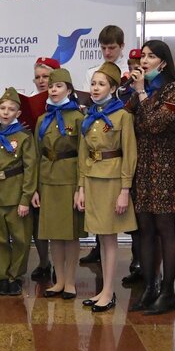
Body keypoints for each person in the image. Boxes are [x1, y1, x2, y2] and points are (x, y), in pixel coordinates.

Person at [127, 39, 175, 316]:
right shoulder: (138, 89)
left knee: (165, 227)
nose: (144, 60)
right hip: (142, 164)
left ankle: (168, 291)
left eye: (151, 56)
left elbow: (154, 124)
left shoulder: (173, 89)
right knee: (145, 229)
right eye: (143, 55)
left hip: (164, 164)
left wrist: (141, 93)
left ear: (163, 62)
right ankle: (150, 287)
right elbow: (125, 118)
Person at [76, 62, 137, 312]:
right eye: (93, 83)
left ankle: (109, 291)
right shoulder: (89, 116)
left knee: (110, 238)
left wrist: (125, 190)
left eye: (101, 84)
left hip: (112, 181)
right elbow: (83, 154)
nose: (95, 88)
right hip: (92, 178)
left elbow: (129, 154)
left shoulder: (122, 116)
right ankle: (103, 289)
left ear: (113, 88)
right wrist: (81, 187)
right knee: (101, 237)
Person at [80, 25, 129, 266]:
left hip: (118, 145)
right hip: (97, 138)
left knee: (118, 217)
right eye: (104, 48)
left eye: (112, 48)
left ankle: (135, 260)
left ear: (121, 46)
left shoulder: (130, 72)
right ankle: (98, 249)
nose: (108, 52)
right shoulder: (93, 72)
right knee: (100, 217)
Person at [33, 67, 83, 299]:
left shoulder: (78, 118)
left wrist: (80, 187)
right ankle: (59, 280)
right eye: (51, 86)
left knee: (70, 233)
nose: (53, 90)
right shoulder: (42, 119)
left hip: (69, 178)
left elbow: (83, 155)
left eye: (59, 86)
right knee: (53, 233)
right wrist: (35, 188)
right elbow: (36, 154)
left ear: (69, 90)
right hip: (47, 179)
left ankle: (70, 280)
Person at [0, 88, 37, 296]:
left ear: (18, 113)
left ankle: (15, 276)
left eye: (11, 109)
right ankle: (2, 274)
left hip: (16, 194)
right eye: (3, 108)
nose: (6, 112)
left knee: (20, 238)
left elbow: (30, 169)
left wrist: (26, 198)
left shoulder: (24, 137)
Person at [28, 57, 59, 282]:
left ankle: (60, 264)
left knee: (57, 217)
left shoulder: (69, 104)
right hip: (33, 162)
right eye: (37, 77)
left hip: (57, 166)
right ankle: (43, 262)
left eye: (45, 77)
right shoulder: (30, 102)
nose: (41, 81)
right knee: (37, 217)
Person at [120, 48, 146, 285]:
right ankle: (136, 260)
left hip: (147, 154)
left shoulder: (149, 89)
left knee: (146, 216)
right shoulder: (123, 88)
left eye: (138, 64)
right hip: (126, 153)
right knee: (133, 213)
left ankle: (148, 266)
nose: (133, 69)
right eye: (130, 65)